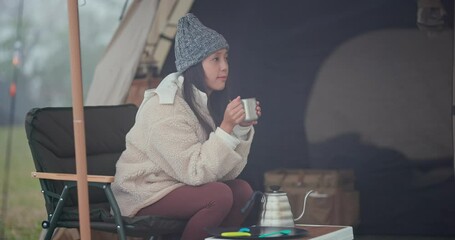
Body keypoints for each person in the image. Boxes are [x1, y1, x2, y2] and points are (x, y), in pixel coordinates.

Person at [112, 13, 261, 240]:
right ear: (194, 65)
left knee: (241, 191)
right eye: (215, 59)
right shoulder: (166, 107)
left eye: (226, 58)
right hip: (146, 191)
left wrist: (239, 128)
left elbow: (227, 172)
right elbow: (196, 171)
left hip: (180, 184)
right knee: (219, 196)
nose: (224, 67)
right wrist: (226, 128)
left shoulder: (203, 102)